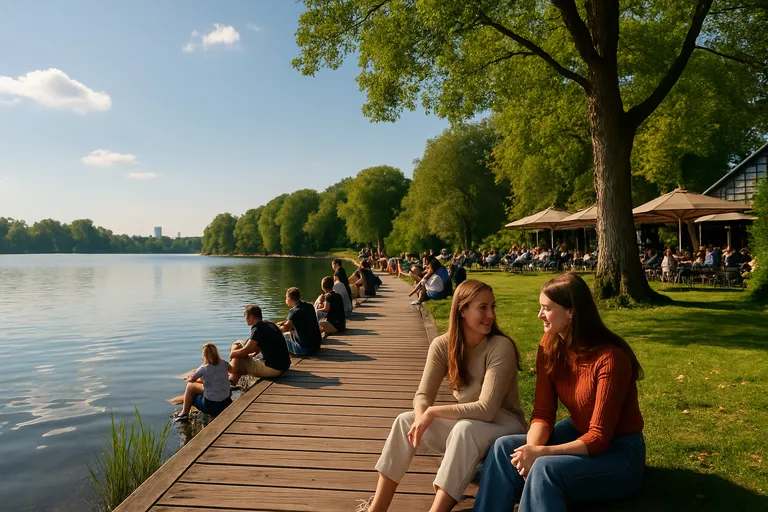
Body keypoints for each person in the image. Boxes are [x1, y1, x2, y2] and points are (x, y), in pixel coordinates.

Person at [473, 273, 645, 512]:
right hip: (578, 433)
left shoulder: (610, 358)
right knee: (505, 448)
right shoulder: (549, 344)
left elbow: (598, 438)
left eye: (547, 308)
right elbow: (543, 413)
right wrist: (530, 453)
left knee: (544, 468)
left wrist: (540, 454)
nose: (539, 315)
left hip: (620, 453)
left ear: (571, 312)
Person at [358, 280, 527, 512]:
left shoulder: (500, 346)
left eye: (492, 307)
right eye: (483, 307)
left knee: (464, 429)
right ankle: (376, 508)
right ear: (462, 310)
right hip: (472, 425)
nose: (490, 314)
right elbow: (423, 394)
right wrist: (420, 417)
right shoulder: (442, 345)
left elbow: (486, 409)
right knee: (404, 421)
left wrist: (433, 413)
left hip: (506, 428)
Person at [229, 305, 291, 386]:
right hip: (284, 366)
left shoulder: (257, 328)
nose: (244, 319)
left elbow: (247, 350)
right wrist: (254, 353)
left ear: (251, 317)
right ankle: (231, 382)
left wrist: (232, 353)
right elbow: (262, 344)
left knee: (238, 353)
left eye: (245, 316)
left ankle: (231, 383)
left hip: (274, 369)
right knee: (240, 350)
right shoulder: (269, 324)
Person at [173, 343, 232, 422]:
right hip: (226, 402)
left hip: (210, 406)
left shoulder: (203, 369)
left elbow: (191, 380)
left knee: (190, 387)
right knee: (207, 387)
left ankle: (184, 413)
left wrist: (188, 377)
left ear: (204, 355)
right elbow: (231, 371)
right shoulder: (224, 363)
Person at [279, 287, 323, 356]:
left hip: (305, 349)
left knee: (279, 339)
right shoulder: (309, 306)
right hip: (316, 346)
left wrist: (274, 329)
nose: (285, 300)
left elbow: (285, 328)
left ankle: (293, 357)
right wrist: (282, 323)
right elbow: (293, 321)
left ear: (289, 299)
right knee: (292, 332)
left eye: (286, 298)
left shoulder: (293, 311)